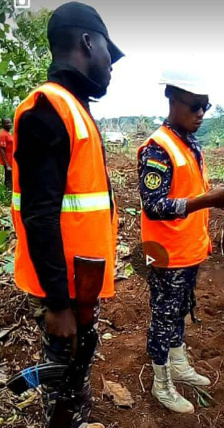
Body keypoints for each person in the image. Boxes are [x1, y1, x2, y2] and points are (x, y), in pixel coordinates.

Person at [11, 2, 123, 427]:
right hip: (65, 291)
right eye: (108, 55)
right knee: (62, 393)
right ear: (86, 42)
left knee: (75, 381)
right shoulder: (48, 108)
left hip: (81, 290)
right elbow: (40, 215)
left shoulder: (74, 108)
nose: (110, 67)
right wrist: (58, 305)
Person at [138, 69, 224, 414]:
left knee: (180, 310)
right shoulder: (157, 148)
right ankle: (161, 381)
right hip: (164, 252)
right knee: (163, 316)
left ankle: (178, 363)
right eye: (195, 106)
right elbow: (154, 206)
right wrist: (207, 200)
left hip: (187, 249)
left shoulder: (188, 142)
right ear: (172, 100)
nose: (200, 114)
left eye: (206, 107)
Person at [0, 117, 13, 190]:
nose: (9, 124)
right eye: (7, 122)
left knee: (11, 177)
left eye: (10, 122)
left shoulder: (9, 133)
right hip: (8, 161)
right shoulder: (3, 135)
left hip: (12, 159)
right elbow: (1, 149)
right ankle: (8, 194)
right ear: (3, 124)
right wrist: (7, 165)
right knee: (9, 179)